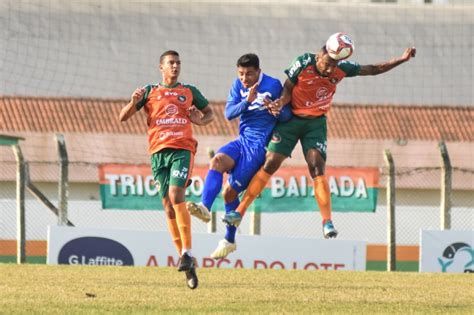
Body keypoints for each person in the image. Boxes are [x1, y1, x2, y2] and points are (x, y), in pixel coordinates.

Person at [225, 34, 417, 241]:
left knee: (317, 166)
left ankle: (327, 222)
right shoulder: (303, 62)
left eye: (335, 65)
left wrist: (401, 59)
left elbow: (372, 69)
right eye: (328, 63)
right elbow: (288, 87)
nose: (329, 69)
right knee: (270, 163)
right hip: (291, 121)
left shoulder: (342, 69)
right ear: (321, 54)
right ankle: (240, 211)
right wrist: (281, 103)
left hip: (315, 124)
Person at [119, 50, 214, 289]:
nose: (175, 66)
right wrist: (133, 101)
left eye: (178, 63)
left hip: (182, 149)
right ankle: (186, 262)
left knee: (175, 195)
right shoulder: (149, 92)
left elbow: (210, 114)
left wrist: (198, 120)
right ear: (160, 67)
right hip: (158, 153)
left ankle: (187, 251)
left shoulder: (189, 91)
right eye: (171, 63)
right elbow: (123, 117)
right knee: (167, 205)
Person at [186, 53, 291, 259]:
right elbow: (228, 113)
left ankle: (229, 240)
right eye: (241, 74)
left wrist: (275, 109)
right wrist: (247, 102)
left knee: (229, 194)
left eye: (249, 74)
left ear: (258, 72)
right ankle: (205, 208)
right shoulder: (238, 85)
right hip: (241, 140)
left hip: (258, 147)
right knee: (216, 160)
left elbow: (287, 115)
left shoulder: (273, 84)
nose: (245, 78)